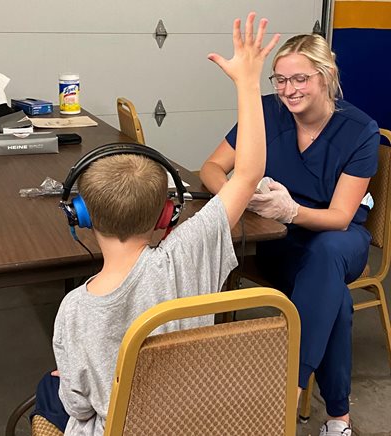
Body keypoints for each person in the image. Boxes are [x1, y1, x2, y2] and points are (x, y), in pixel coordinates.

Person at [30, 13, 280, 435]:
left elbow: (79, 403)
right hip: (190, 423)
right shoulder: (187, 255)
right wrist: (248, 82)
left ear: (82, 215)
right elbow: (249, 172)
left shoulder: (74, 310)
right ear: (167, 215)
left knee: (49, 390)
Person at [200, 32, 380, 436]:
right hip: (278, 241)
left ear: (325, 75)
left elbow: (338, 216)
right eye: (279, 79)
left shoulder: (360, 131)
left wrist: (293, 210)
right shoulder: (266, 112)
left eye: (300, 79)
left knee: (329, 252)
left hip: (339, 236)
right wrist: (239, 195)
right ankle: (339, 419)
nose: (288, 89)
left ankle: (287, 390)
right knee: (334, 301)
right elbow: (211, 168)